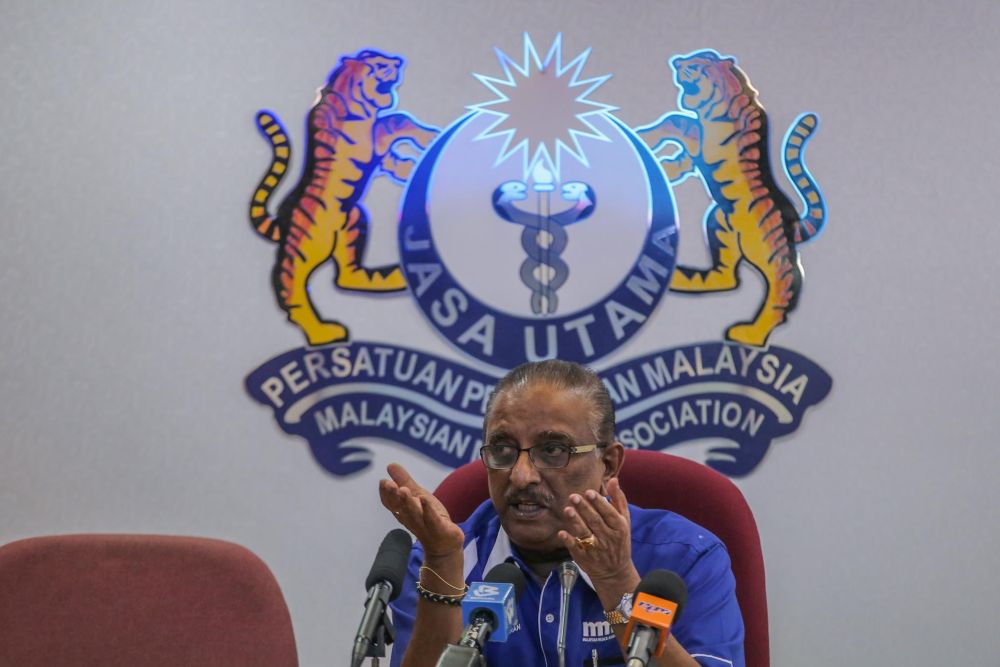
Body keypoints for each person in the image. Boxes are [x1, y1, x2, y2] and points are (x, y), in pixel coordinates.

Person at [379, 360, 744, 667]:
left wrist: (617, 581)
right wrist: (442, 562)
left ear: (609, 463)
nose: (521, 475)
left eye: (553, 450)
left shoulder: (685, 558)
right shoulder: (443, 561)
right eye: (503, 450)